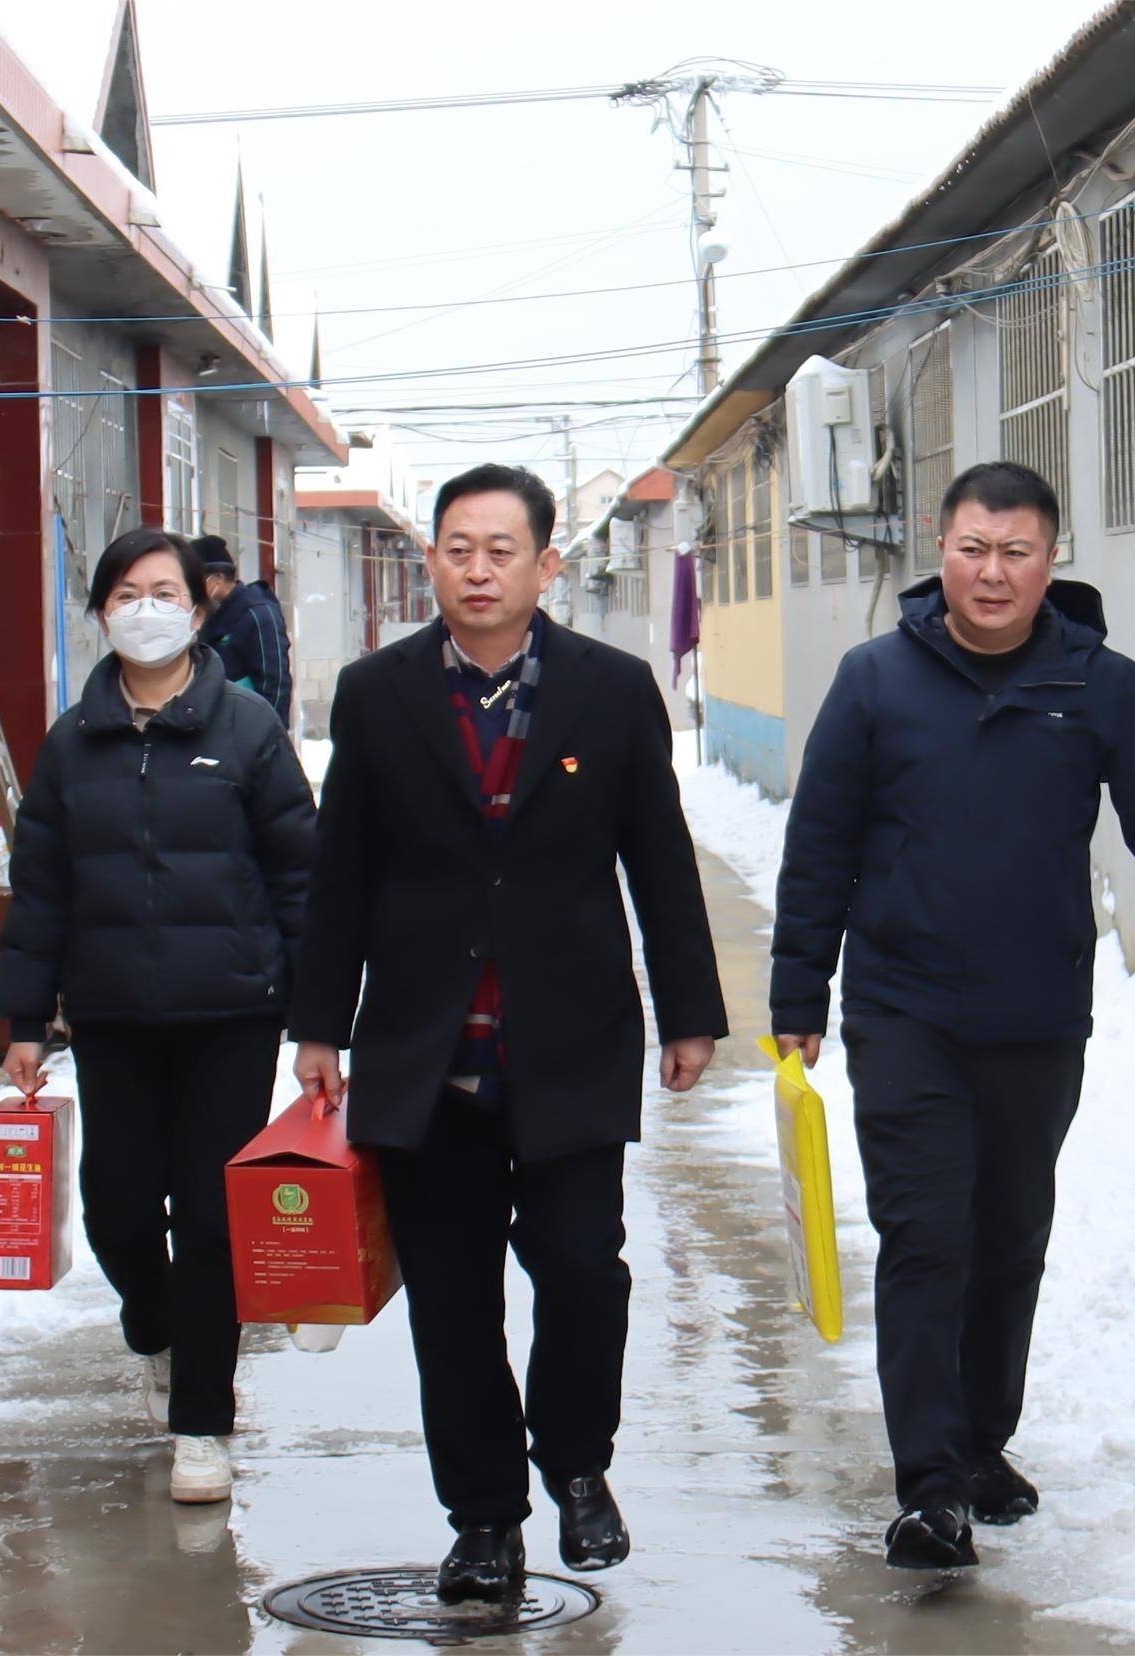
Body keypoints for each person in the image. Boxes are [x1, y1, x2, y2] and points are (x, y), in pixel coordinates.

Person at [770, 461, 1135, 1571]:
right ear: (941, 552)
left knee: (1009, 1238)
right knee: (927, 1235)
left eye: (1016, 551)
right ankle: (930, 1486)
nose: (993, 571)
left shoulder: (1099, 686)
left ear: (1050, 561)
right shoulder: (875, 681)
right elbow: (818, 851)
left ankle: (982, 1440)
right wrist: (801, 994)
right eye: (974, 548)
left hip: (1037, 1018)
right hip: (904, 1012)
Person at [289, 463, 726, 1602]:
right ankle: (483, 1519)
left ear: (545, 565)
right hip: (429, 1050)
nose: (476, 569)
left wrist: (690, 1012)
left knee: (586, 1270)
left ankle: (577, 1466)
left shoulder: (610, 690)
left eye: (500, 550)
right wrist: (319, 1025)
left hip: (570, 1038)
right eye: (456, 548)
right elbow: (342, 873)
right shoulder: (378, 694)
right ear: (431, 559)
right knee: (453, 1295)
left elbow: (661, 863)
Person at [0, 526, 316, 1507]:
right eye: (127, 592)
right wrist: (21, 1017)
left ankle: (203, 1425)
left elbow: (301, 877)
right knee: (120, 1211)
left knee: (213, 1217)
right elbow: (41, 887)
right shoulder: (72, 741)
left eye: (165, 590)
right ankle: (156, 1322)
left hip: (231, 1013)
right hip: (114, 1016)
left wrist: (317, 1022)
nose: (147, 607)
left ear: (197, 606)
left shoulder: (248, 731)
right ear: (101, 612)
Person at [191, 534, 293, 729]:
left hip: (248, 725)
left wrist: (270, 733)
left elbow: (276, 683)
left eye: (196, 581)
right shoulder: (210, 614)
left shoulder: (258, 613)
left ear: (218, 579)